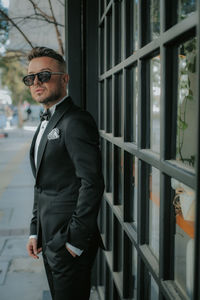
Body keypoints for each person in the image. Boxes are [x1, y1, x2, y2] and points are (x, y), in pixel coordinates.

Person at [24, 47, 104, 300]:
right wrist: (35, 230)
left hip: (67, 241)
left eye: (44, 75)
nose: (36, 82)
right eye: (30, 78)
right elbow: (42, 184)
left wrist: (74, 242)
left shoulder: (75, 121)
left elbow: (91, 183)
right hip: (49, 238)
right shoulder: (47, 121)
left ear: (64, 79)